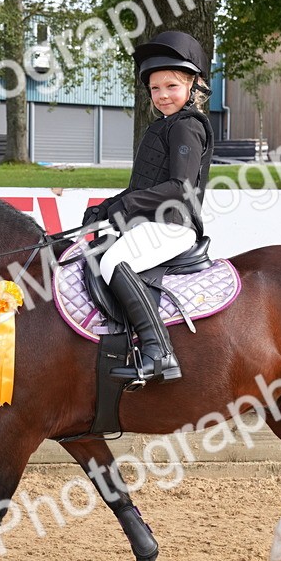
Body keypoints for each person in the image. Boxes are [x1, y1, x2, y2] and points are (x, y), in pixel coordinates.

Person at [81, 30, 214, 387]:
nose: (163, 95)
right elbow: (144, 187)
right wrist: (106, 208)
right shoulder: (163, 127)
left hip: (174, 225)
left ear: (192, 85)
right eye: (155, 89)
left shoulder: (187, 126)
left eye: (171, 86)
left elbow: (181, 187)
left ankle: (159, 352)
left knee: (113, 261)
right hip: (150, 222)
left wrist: (126, 204)